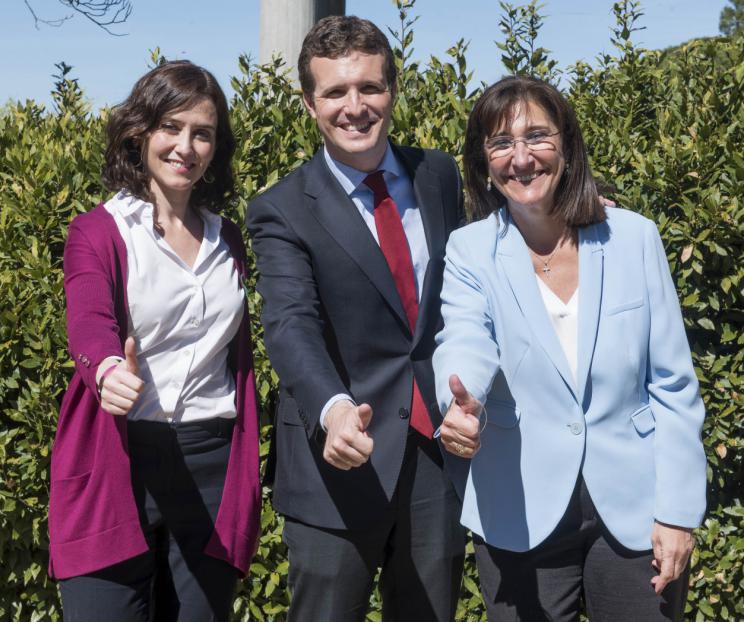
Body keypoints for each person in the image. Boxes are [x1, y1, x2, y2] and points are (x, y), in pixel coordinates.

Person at [432, 75, 706, 621]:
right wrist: (460, 401)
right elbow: (464, 336)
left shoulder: (634, 238)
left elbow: (673, 384)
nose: (521, 156)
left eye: (537, 136)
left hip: (636, 507)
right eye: (501, 142)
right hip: (518, 505)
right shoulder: (470, 250)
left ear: (568, 145)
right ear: (484, 160)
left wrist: (678, 512)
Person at [246, 15, 466, 622]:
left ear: (392, 89)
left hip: (433, 456)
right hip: (337, 457)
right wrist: (332, 405)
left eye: (369, 87)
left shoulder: (438, 174)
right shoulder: (281, 209)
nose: (355, 106)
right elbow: (290, 323)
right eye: (336, 92)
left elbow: (512, 223)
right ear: (309, 102)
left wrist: (589, 198)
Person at [48, 60, 261, 621]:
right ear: (140, 132)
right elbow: (88, 316)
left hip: (213, 464)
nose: (185, 146)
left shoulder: (228, 239)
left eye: (202, 133)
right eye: (171, 127)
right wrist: (107, 368)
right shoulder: (98, 232)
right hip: (118, 457)